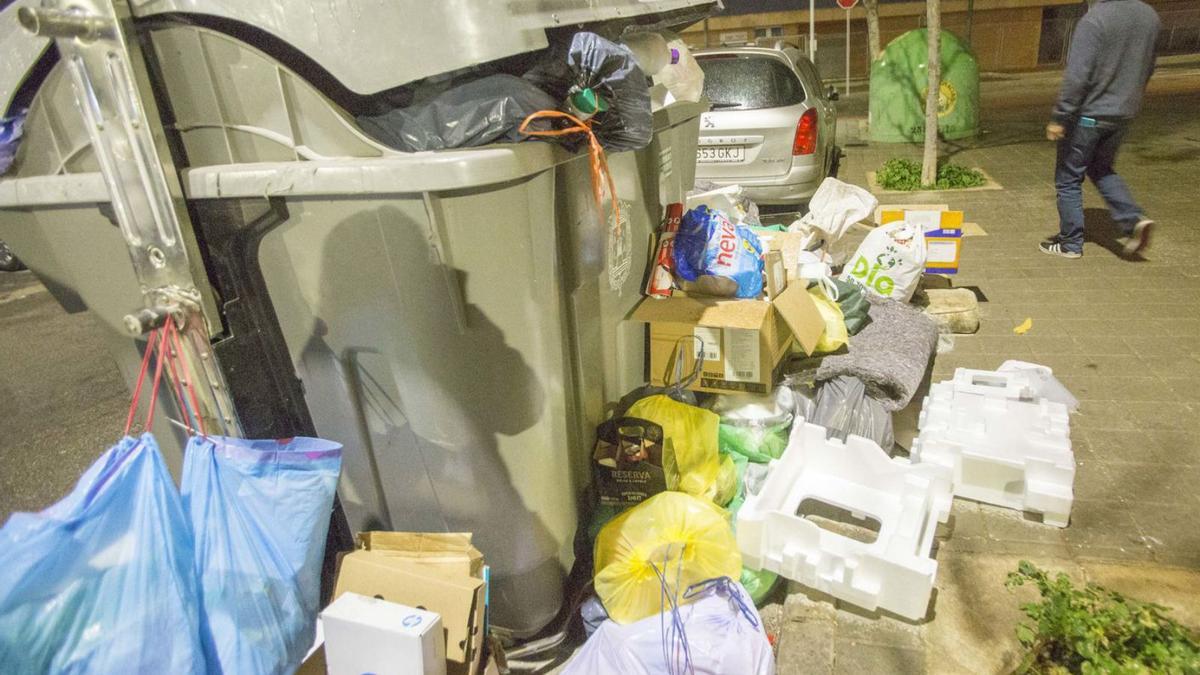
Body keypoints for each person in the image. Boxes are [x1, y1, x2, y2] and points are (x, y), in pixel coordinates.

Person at [1040, 0, 1160, 260]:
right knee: (1102, 168)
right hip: (1123, 113)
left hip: (1088, 115)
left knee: (1069, 177)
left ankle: (1070, 243)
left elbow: (1078, 76)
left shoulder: (1095, 20)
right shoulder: (1149, 16)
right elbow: (1149, 66)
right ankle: (1133, 220)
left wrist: (1060, 117)